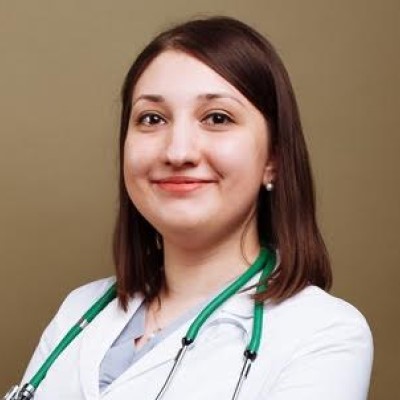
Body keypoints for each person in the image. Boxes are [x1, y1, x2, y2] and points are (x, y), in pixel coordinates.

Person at [16, 16, 373, 400]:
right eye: (152, 119)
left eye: (217, 118)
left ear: (274, 159)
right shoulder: (80, 311)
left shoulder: (325, 334)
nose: (178, 151)